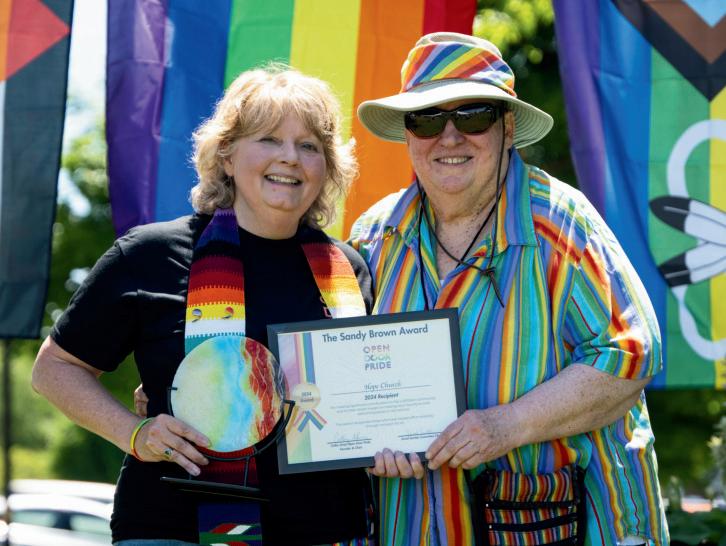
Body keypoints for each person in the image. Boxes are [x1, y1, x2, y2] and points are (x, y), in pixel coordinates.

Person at [32, 66, 376, 546]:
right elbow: (54, 369)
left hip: (326, 529)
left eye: (309, 145)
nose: (290, 157)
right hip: (173, 528)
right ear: (227, 155)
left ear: (327, 166)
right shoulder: (150, 255)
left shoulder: (350, 270)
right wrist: (136, 433)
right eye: (269, 139)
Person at [349, 32, 668, 545]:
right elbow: (345, 386)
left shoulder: (561, 223)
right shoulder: (372, 237)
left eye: (473, 116)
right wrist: (364, 441)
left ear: (508, 127)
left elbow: (631, 355)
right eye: (426, 119)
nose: (449, 137)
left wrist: (507, 426)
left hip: (568, 526)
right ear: (408, 135)